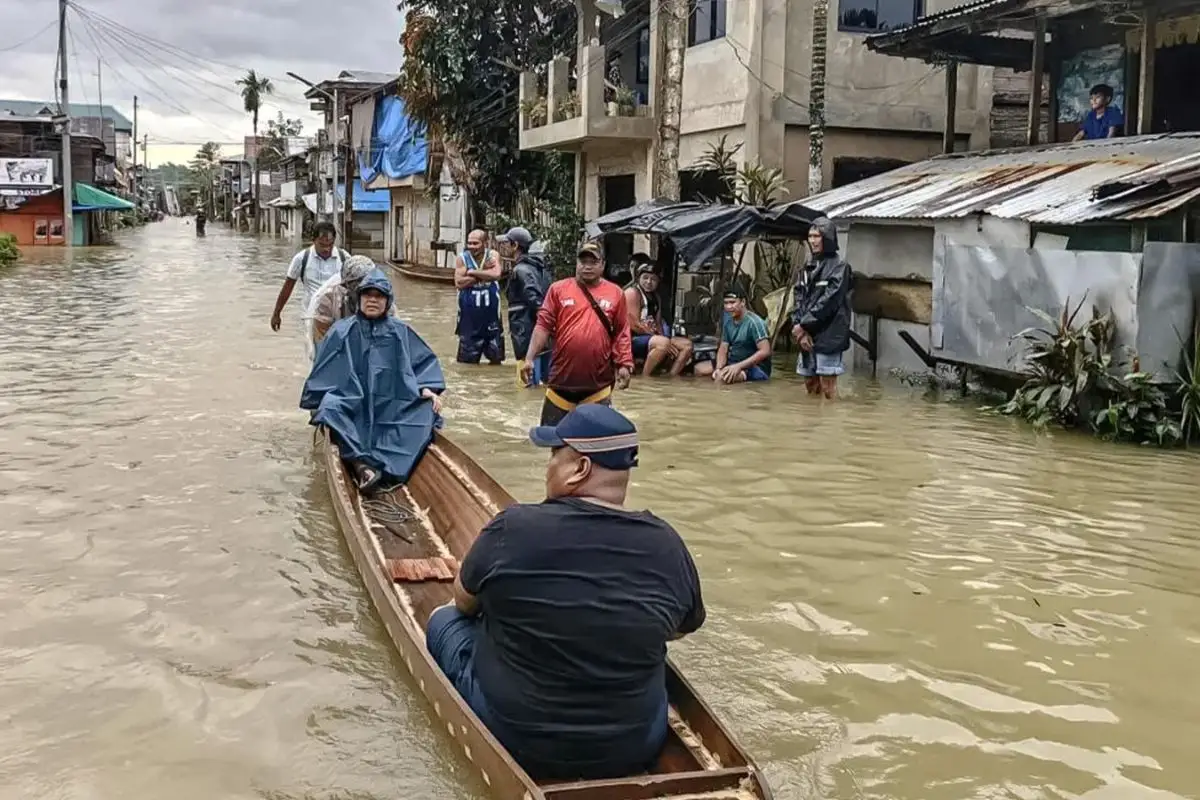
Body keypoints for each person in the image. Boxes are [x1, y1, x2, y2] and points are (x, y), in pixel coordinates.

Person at [425, 404, 705, 781]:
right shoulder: (668, 544)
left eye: (554, 455)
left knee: (442, 618)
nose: (548, 467)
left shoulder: (514, 527)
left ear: (581, 468)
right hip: (635, 744)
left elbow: (463, 601)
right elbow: (680, 628)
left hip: (518, 736)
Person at [300, 269, 446, 494]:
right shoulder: (342, 330)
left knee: (427, 411)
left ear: (387, 301)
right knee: (329, 407)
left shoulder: (401, 331)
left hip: (392, 404)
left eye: (378, 296)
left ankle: (387, 468)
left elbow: (422, 364)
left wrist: (427, 388)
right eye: (367, 295)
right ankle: (362, 465)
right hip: (353, 402)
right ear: (359, 299)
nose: (372, 300)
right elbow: (324, 371)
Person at [521, 242, 634, 425]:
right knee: (554, 441)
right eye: (583, 261)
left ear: (603, 265)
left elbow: (622, 332)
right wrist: (529, 359)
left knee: (594, 445)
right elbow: (543, 326)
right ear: (576, 263)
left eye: (593, 262)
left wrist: (624, 364)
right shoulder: (558, 290)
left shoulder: (616, 294)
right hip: (561, 382)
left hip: (598, 385)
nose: (587, 266)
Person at [792, 217, 853, 399]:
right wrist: (799, 328)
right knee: (810, 384)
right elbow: (798, 298)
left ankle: (829, 423)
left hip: (829, 333)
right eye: (810, 236)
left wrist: (804, 325)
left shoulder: (840, 268)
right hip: (805, 333)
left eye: (817, 236)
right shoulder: (806, 268)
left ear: (827, 238)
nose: (813, 240)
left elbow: (829, 302)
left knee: (828, 388)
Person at [271, 221, 348, 332]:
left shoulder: (344, 258)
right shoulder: (301, 259)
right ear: (313, 240)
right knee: (313, 348)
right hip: (311, 317)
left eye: (330, 245)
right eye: (322, 245)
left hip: (338, 319)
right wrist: (276, 313)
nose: (326, 249)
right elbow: (287, 287)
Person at [502, 226, 553, 387]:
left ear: (515, 245)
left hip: (526, 331)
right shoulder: (541, 269)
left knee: (527, 382)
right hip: (542, 333)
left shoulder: (521, 270)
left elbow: (534, 300)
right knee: (544, 377)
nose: (503, 246)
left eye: (506, 243)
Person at [624, 260, 692, 377]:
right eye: (645, 278)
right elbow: (633, 325)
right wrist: (662, 340)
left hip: (651, 338)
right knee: (663, 343)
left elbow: (658, 323)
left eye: (653, 279)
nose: (649, 282)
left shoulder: (656, 297)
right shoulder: (632, 293)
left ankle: (670, 377)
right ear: (638, 278)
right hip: (632, 339)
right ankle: (645, 378)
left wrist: (666, 339)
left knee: (687, 345)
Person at [305, 254, 376, 358]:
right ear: (346, 285)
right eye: (358, 284)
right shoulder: (327, 301)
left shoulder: (383, 299)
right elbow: (322, 346)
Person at [694, 288, 772, 383]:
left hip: (755, 367)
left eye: (732, 302)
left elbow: (765, 351)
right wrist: (719, 368)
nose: (728, 307)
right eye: (726, 303)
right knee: (698, 369)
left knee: (722, 379)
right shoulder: (728, 323)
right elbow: (723, 348)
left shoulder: (755, 323)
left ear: (743, 302)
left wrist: (738, 366)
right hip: (733, 362)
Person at [455, 228, 505, 365]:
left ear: (485, 243)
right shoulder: (462, 258)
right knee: (467, 364)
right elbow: (459, 283)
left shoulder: (493, 255)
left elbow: (496, 274)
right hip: (469, 321)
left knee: (496, 361)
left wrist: (472, 272)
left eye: (475, 243)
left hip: (492, 320)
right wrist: (482, 275)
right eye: (469, 243)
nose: (471, 247)